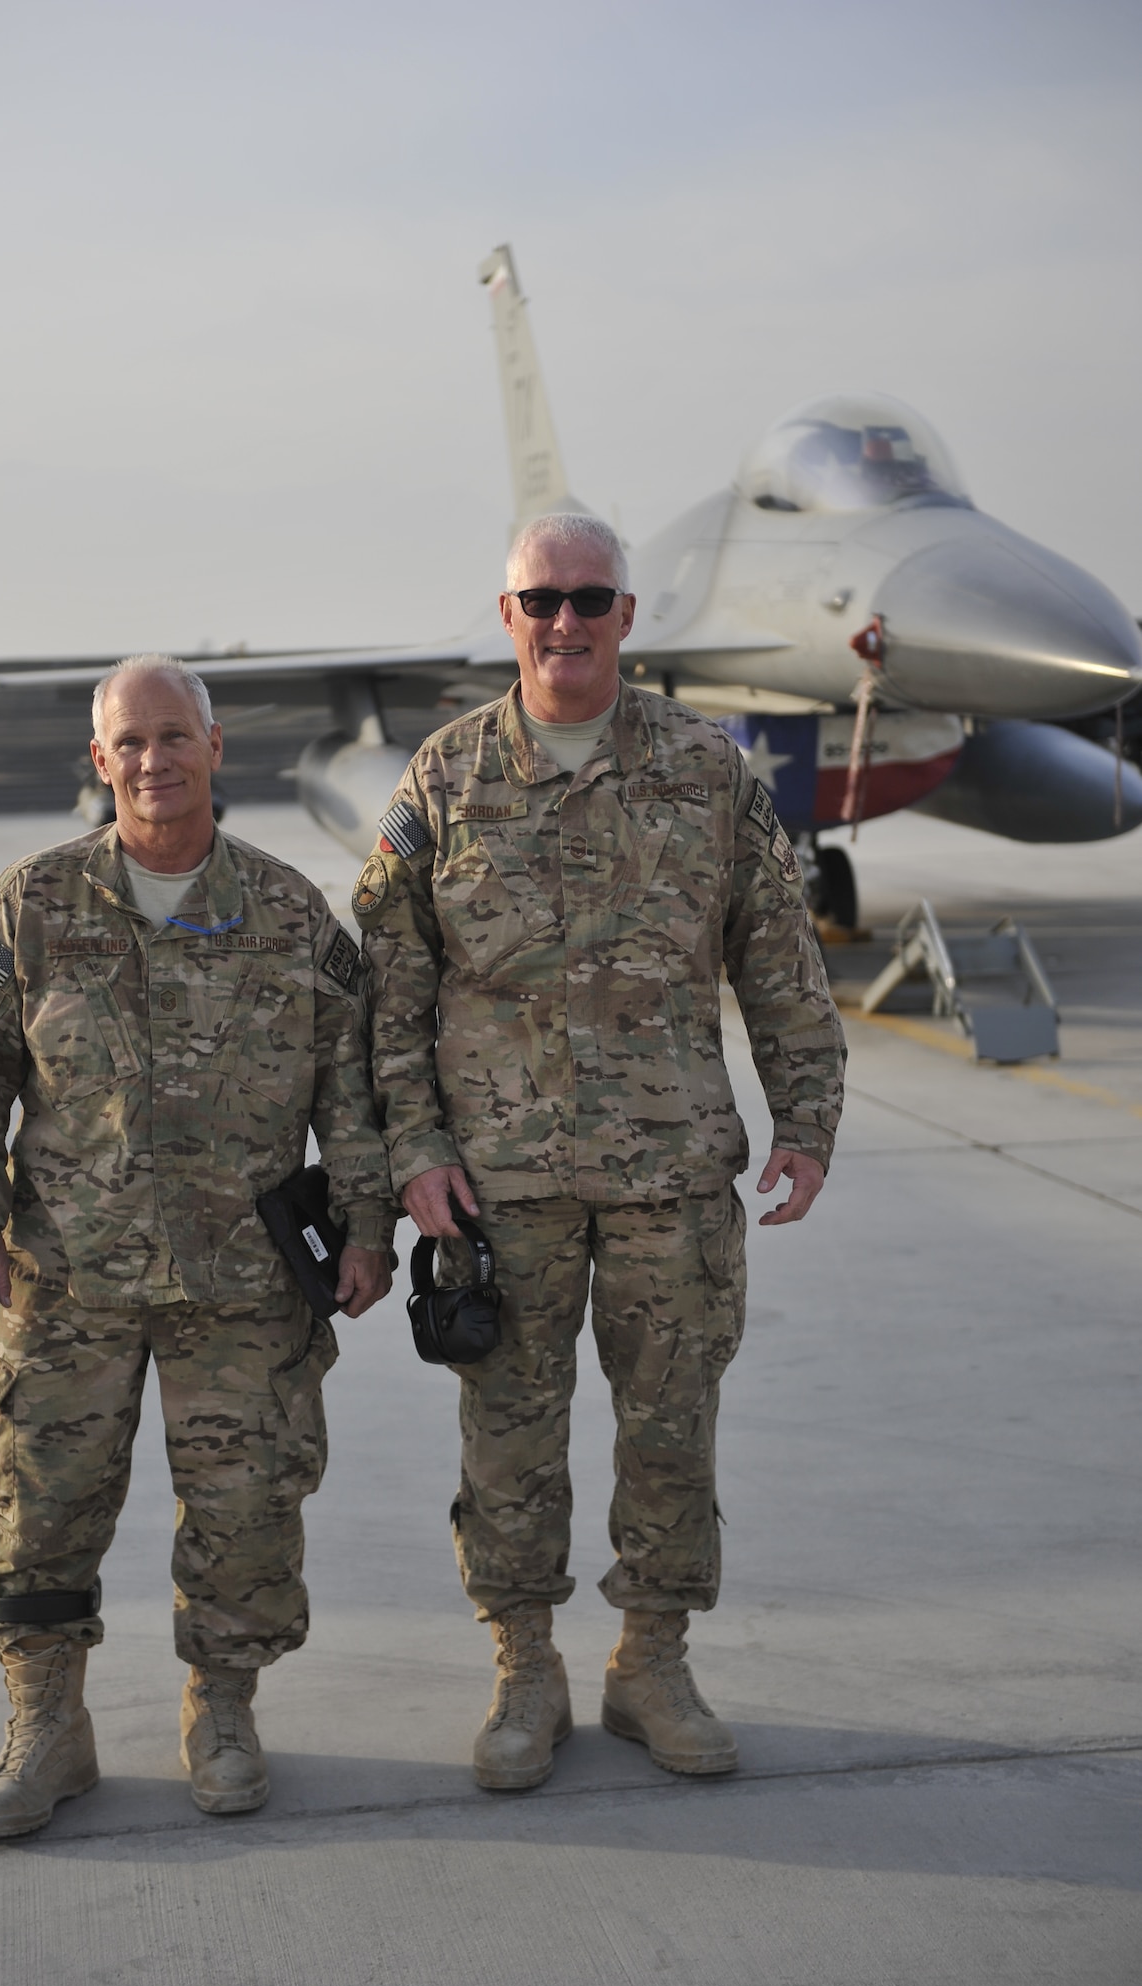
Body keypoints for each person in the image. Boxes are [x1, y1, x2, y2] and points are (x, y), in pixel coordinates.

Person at [356, 514, 846, 1791]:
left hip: (670, 1175)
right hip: (494, 1184)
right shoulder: (444, 779)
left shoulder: (706, 769)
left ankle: (651, 1659)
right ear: (506, 613)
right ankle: (524, 1667)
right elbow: (389, 996)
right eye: (539, 601)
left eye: (588, 599)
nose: (563, 623)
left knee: (670, 1427)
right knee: (507, 1438)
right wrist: (412, 1147)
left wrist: (805, 1120)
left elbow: (778, 959)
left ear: (627, 615)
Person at [0, 654, 393, 1840]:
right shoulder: (29, 906)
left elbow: (355, 1085)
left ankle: (222, 1710)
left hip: (243, 1282)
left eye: (175, 736)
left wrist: (370, 1225)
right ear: (99, 758)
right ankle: (44, 1726)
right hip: (63, 1273)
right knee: (38, 1503)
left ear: (215, 748)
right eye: (130, 741)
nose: (153, 761)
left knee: (247, 1501)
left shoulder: (289, 913)